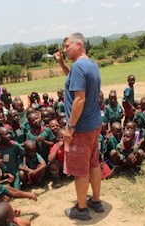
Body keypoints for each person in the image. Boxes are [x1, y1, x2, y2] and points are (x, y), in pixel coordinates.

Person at [54, 32, 103, 221]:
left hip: (81, 128)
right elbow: (73, 82)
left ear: (79, 44)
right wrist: (61, 64)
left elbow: (79, 99)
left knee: (79, 169)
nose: (64, 50)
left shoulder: (79, 66)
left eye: (67, 46)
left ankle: (81, 209)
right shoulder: (89, 64)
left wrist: (70, 127)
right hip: (93, 124)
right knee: (93, 163)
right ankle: (96, 201)